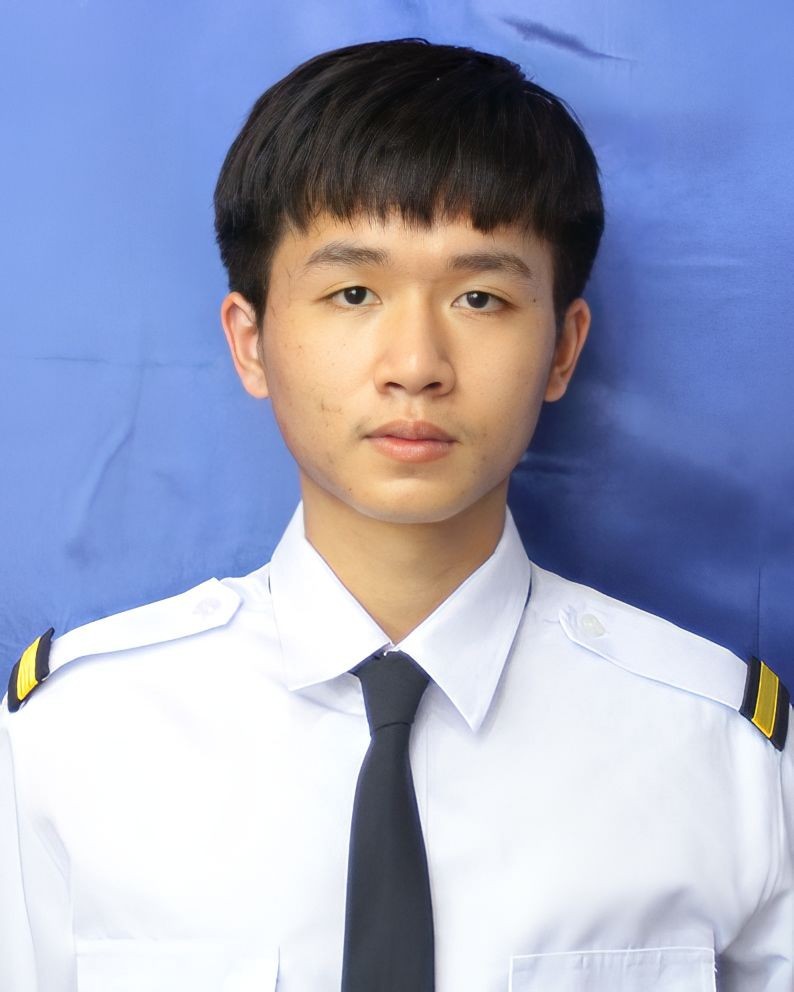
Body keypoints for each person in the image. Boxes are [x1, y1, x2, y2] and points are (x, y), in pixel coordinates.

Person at [1, 38, 791, 992]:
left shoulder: (722, 753)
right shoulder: (74, 738)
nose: (416, 364)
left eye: (480, 296)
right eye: (353, 292)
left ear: (561, 349)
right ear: (250, 342)